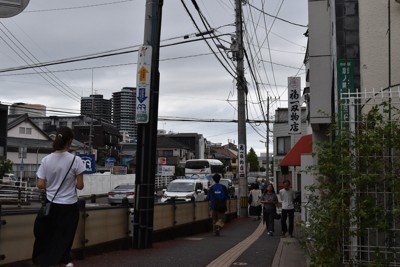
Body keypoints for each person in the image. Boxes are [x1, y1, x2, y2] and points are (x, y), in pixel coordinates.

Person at [32, 127, 86, 267]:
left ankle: (45, 261)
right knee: (64, 238)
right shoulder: (76, 160)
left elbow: (40, 184)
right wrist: (69, 181)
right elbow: (80, 185)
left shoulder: (46, 160)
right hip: (69, 206)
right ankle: (63, 261)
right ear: (70, 141)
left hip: (51, 205)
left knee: (48, 236)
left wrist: (52, 184)